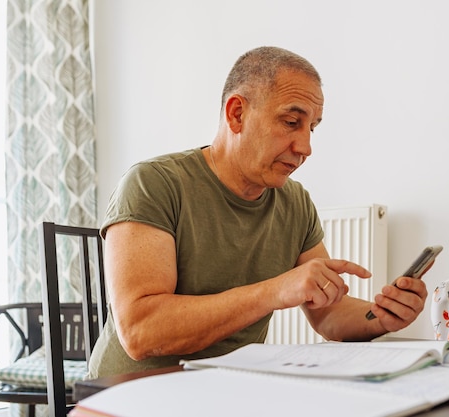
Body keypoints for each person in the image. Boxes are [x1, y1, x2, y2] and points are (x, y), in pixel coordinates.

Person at [87, 46, 428, 378]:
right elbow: (141, 332)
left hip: (229, 388)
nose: (306, 147)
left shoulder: (294, 202)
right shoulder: (153, 183)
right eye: (292, 122)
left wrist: (379, 317)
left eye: (312, 128)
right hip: (130, 395)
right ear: (237, 114)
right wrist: (276, 290)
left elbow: (328, 314)